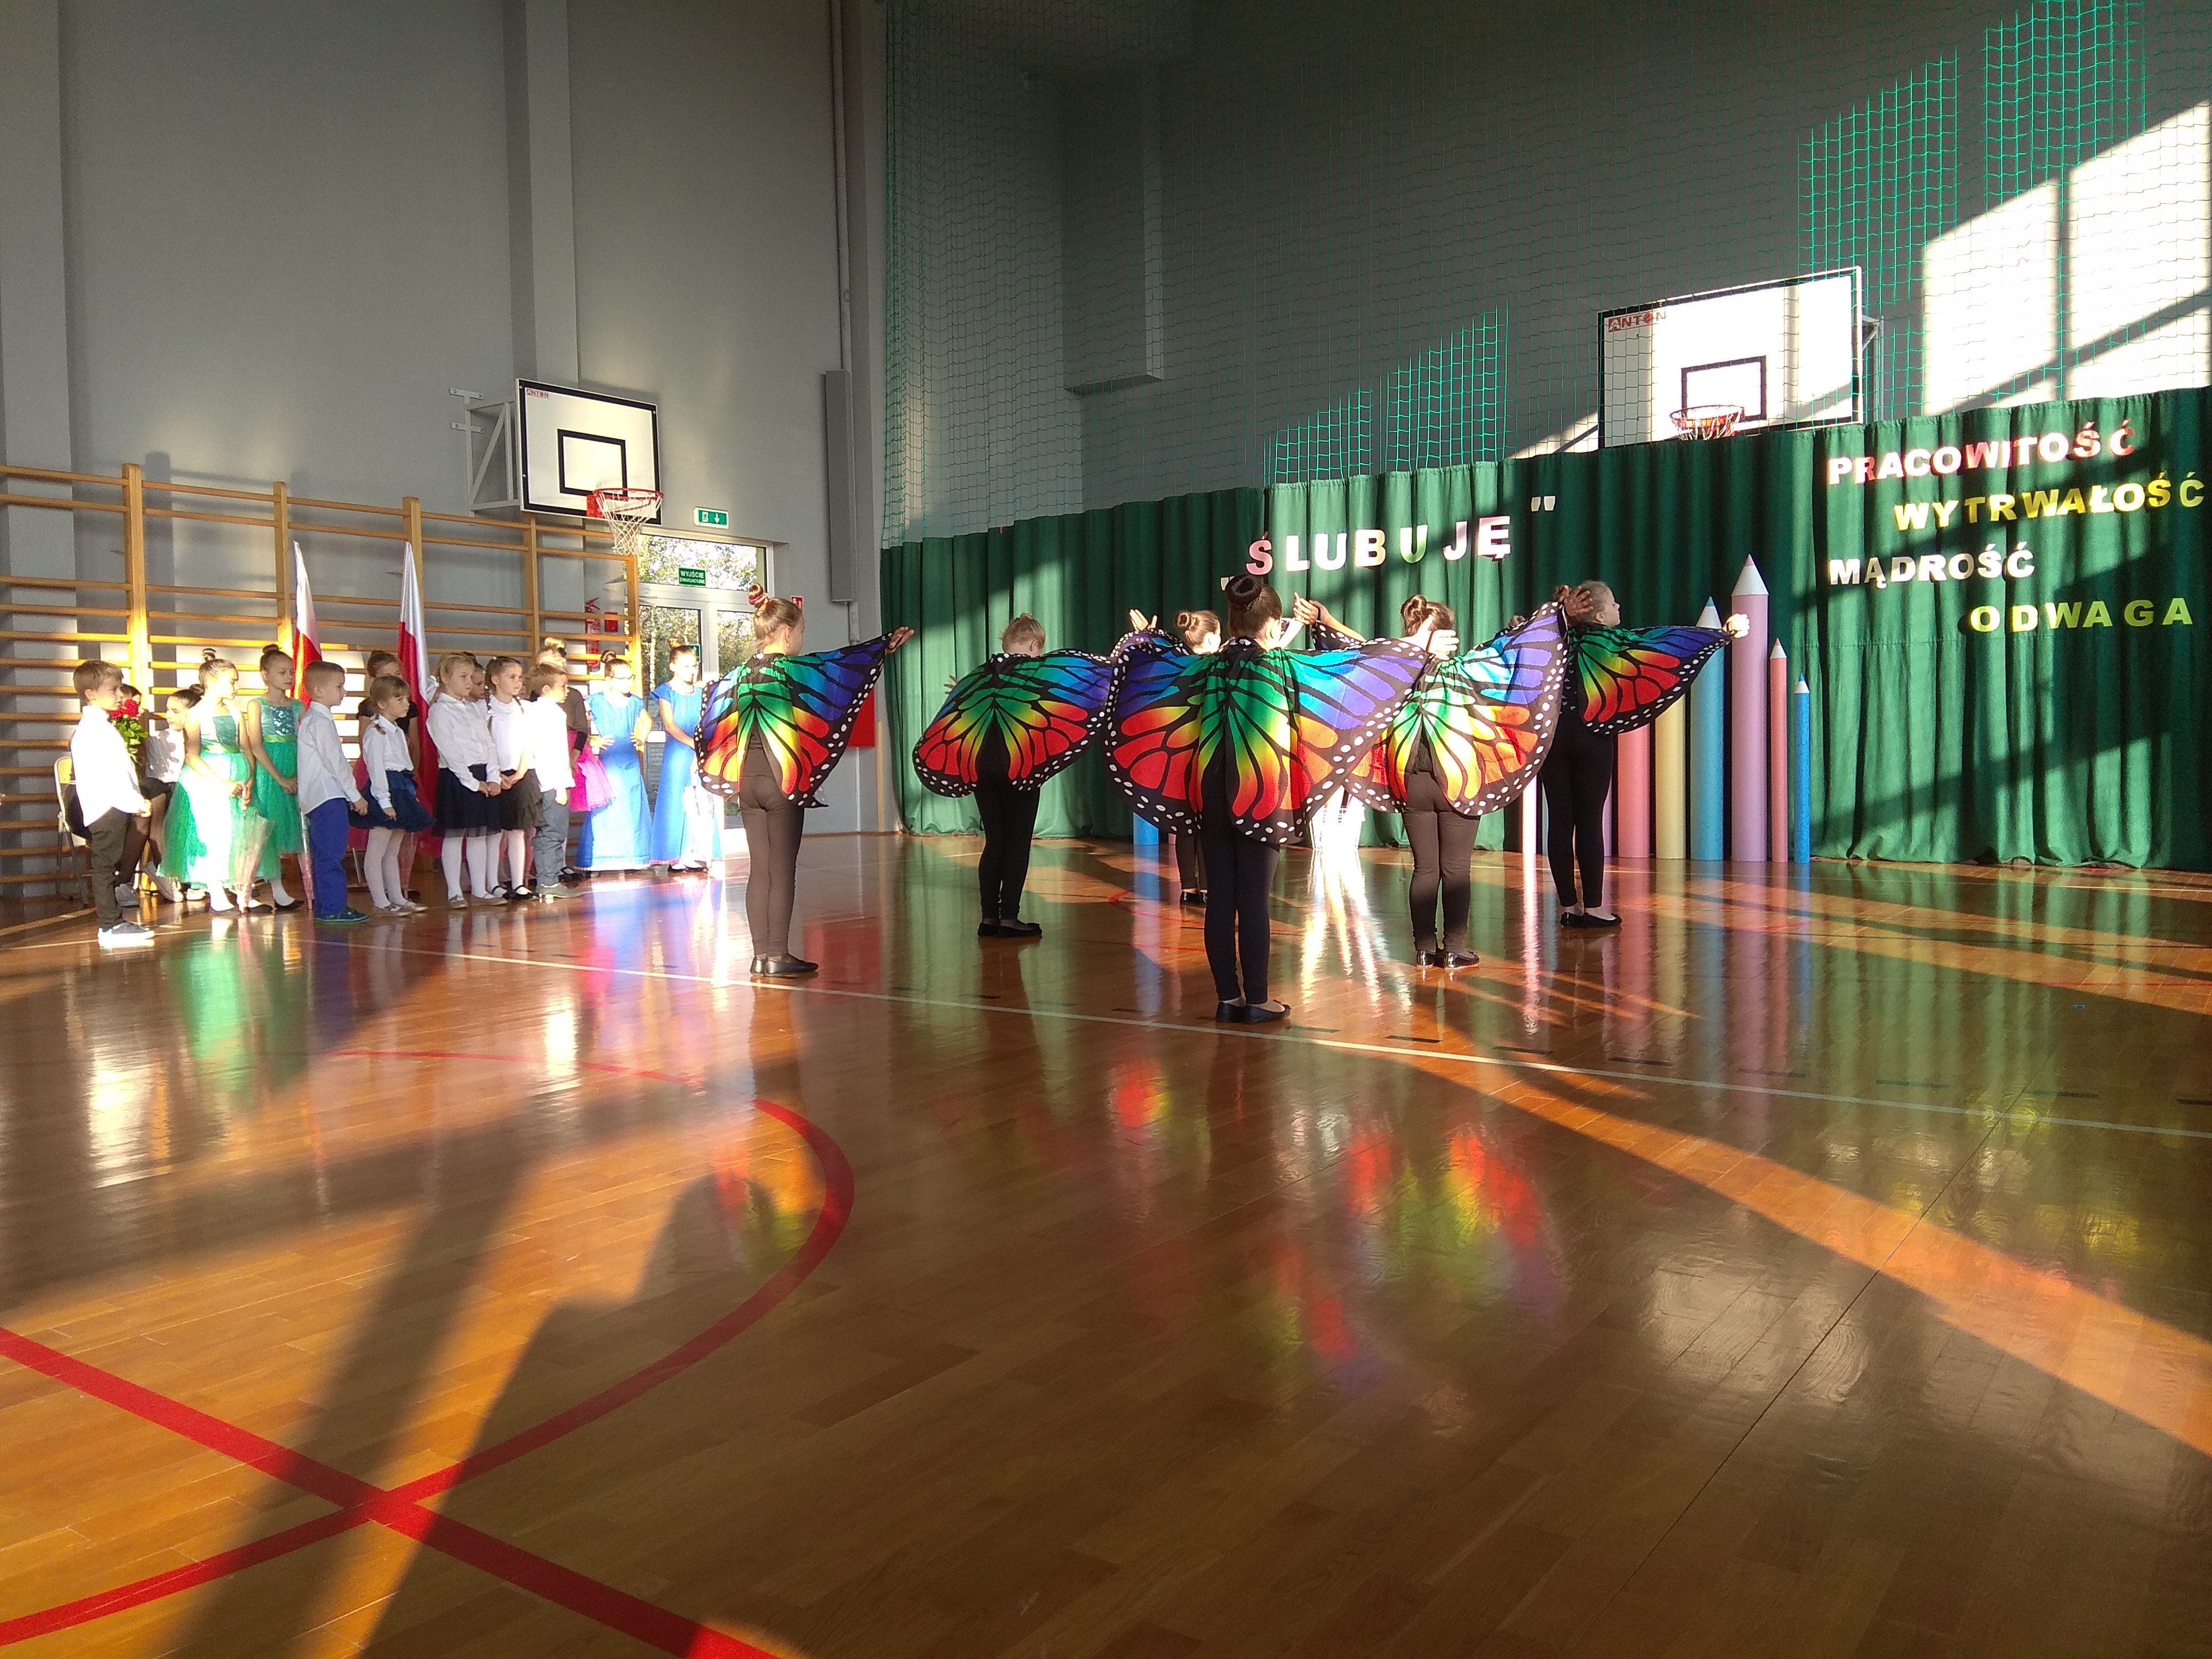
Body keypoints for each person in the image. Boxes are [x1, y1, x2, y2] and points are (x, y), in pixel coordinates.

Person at [1105, 575, 1430, 1024]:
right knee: (1254, 899)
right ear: (1275, 625)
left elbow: (1150, 671)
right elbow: (1358, 666)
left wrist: (1147, 639)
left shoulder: (1205, 668)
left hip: (1210, 793)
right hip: (1259, 794)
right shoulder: (1285, 667)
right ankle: (1257, 999)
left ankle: (1227, 998)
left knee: (1221, 899)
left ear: (1232, 622)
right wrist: (1415, 645)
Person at [1297, 593, 1568, 969]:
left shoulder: (1393, 671)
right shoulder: (1465, 670)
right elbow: (1507, 660)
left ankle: (1424, 948)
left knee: (1425, 868)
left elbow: (1361, 649)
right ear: (1444, 635)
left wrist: (1328, 622)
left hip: (1411, 779)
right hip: (1456, 778)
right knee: (1456, 868)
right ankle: (1455, 948)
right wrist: (1534, 625)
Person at [694, 594, 911, 975]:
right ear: (785, 632)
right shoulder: (793, 671)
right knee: (782, 870)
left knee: (760, 870)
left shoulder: (736, 676)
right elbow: (839, 666)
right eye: (801, 632)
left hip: (747, 784)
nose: (802, 640)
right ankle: (778, 954)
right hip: (781, 783)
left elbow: (712, 720)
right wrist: (881, 647)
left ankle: (760, 956)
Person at [1544, 579, 1745, 927]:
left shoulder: (1553, 639)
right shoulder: (1614, 642)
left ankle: (1569, 907)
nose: (1619, 608)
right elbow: (1666, 643)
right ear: (1600, 615)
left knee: (1560, 821)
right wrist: (1721, 635)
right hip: (1593, 737)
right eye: (1614, 604)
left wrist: (1552, 615)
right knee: (1589, 820)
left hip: (1553, 738)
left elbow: (1518, 643)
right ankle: (1594, 908)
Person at [911, 612, 1119, 940]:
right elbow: (1086, 683)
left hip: (981, 768)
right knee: (1018, 843)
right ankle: (1009, 917)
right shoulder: (1040, 670)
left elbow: (961, 705)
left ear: (1006, 641)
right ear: (1035, 645)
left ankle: (988, 918)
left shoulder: (978, 676)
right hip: (1019, 766)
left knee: (995, 841)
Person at [162, 652, 262, 911]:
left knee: (240, 834)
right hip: (208, 778)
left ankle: (243, 890)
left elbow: (246, 748)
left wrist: (250, 779)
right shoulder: (195, 715)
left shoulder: (235, 712)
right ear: (212, 683)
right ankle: (216, 892)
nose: (237, 687)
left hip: (237, 772)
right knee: (214, 832)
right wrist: (221, 783)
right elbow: (192, 755)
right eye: (232, 681)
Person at [71, 660, 155, 946]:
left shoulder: (100, 726)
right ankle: (110, 925)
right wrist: (135, 801)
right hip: (106, 807)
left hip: (110, 805)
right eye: (113, 690)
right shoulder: (94, 730)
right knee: (105, 867)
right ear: (91, 694)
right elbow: (111, 775)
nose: (120, 695)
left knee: (107, 865)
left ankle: (112, 923)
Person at [425, 651, 503, 907]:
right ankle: (455, 892)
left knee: (478, 835)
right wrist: (472, 782)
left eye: (471, 677)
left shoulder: (473, 709)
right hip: (457, 777)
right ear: (446, 678)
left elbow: (489, 744)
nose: (469, 682)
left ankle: (480, 890)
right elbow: (450, 752)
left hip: (482, 775)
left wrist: (493, 777)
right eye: (463, 677)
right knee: (455, 835)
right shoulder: (440, 711)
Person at [295, 660, 368, 923]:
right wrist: (355, 795)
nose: (344, 692)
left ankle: (327, 905)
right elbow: (335, 763)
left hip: (321, 797)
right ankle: (333, 907)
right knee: (331, 854)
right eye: (339, 686)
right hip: (328, 797)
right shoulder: (319, 722)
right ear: (318, 690)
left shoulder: (316, 720)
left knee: (324, 854)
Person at [353, 674, 432, 912]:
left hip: (400, 787)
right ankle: (380, 901)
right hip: (384, 790)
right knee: (377, 849)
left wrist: (410, 793)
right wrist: (384, 801)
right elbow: (376, 769)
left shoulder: (396, 731)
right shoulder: (376, 733)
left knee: (393, 850)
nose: (406, 704)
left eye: (406, 699)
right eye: (400, 700)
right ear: (382, 703)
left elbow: (405, 764)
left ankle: (397, 897)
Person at [240, 644, 304, 909]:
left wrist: (299, 775)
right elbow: (256, 745)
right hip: (270, 773)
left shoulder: (298, 706)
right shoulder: (257, 705)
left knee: (298, 830)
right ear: (265, 674)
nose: (289, 677)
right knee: (266, 833)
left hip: (295, 767)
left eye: (291, 672)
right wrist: (280, 779)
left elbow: (308, 741)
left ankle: (301, 889)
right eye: (282, 672)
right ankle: (250, 890)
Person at [649, 644, 721, 872]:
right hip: (679, 753)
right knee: (678, 800)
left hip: (699, 752)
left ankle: (698, 852)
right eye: (686, 666)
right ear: (673, 666)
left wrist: (704, 747)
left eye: (694, 666)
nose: (692, 671)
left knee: (702, 801)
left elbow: (708, 721)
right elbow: (670, 725)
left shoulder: (700, 692)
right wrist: (694, 744)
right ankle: (676, 854)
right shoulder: (667, 692)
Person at [581, 653, 653, 872]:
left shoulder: (635, 702)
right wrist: (592, 741)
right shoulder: (595, 701)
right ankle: (601, 858)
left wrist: (640, 738)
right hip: (608, 761)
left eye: (630, 678)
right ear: (609, 680)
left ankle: (633, 856)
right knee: (607, 807)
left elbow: (647, 721)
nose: (628, 683)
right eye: (622, 679)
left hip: (629, 761)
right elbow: (576, 724)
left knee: (631, 808)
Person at [525, 662, 585, 901]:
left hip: (541, 780)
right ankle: (548, 880)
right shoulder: (552, 714)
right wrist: (561, 785)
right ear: (547, 689)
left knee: (546, 832)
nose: (567, 690)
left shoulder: (533, 710)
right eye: (563, 686)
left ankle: (547, 879)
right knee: (554, 831)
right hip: (552, 782)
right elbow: (554, 751)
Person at [484, 655, 541, 899]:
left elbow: (530, 742)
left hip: (520, 774)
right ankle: (492, 882)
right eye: (512, 677)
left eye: (520, 677)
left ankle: (518, 882)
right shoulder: (485, 708)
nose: (518, 682)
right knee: (495, 832)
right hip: (494, 774)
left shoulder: (526, 708)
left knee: (518, 831)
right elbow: (484, 743)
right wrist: (495, 774)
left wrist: (520, 772)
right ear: (496, 680)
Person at [538, 638, 593, 884]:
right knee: (542, 820)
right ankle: (540, 871)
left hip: (567, 755)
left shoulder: (572, 697)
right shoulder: (535, 701)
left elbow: (582, 728)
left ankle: (557, 866)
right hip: (544, 762)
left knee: (559, 818)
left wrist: (573, 757)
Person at [140, 688, 195, 903]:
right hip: (167, 789)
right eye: (167, 710)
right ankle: (171, 871)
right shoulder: (159, 739)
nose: (168, 716)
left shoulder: (199, 736)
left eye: (175, 711)